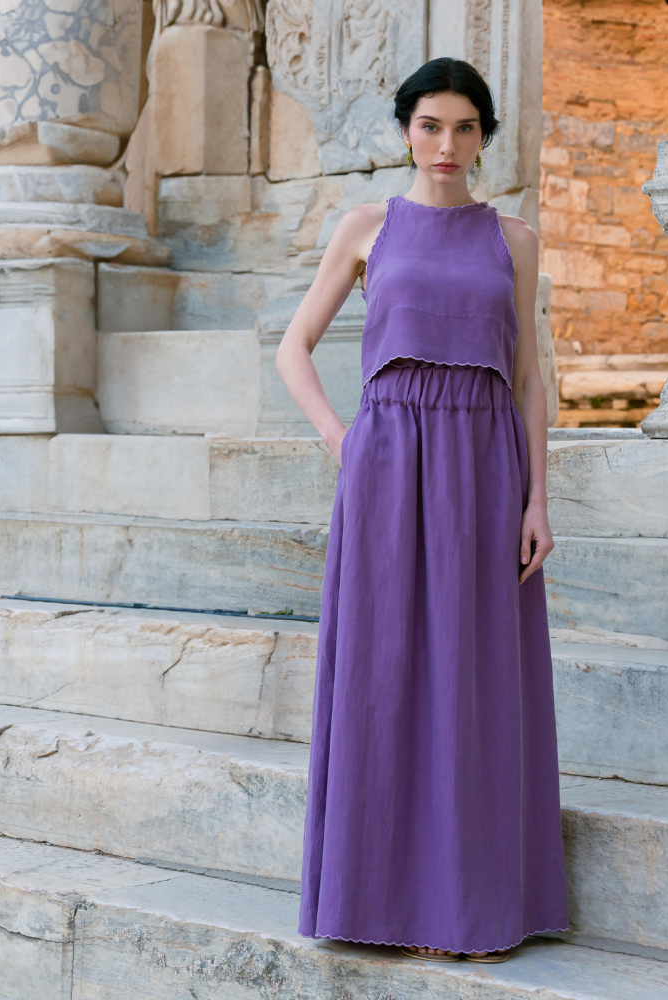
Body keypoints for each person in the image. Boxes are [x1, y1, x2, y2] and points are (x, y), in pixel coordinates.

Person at [276, 57, 569, 964]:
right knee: (384, 667)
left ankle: (466, 909)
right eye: (431, 125)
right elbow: (294, 346)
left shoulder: (514, 238)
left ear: (485, 136)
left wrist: (538, 499)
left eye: (465, 128)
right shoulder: (367, 227)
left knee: (474, 677)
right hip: (388, 463)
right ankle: (376, 898)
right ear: (406, 130)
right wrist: (340, 437)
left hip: (484, 465)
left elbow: (528, 379)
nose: (447, 145)